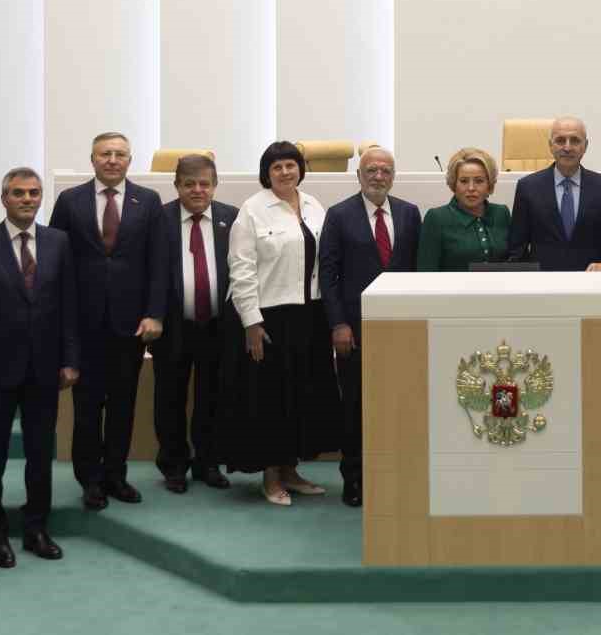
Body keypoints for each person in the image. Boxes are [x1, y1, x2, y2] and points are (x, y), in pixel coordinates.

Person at [0, 167, 79, 569]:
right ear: (4, 198)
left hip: (45, 369)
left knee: (40, 453)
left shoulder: (58, 243)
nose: (27, 199)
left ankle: (35, 528)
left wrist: (70, 359)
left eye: (33, 192)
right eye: (18, 193)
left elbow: (68, 307)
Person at [49, 133, 167, 510]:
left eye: (119, 154)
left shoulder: (147, 202)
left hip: (129, 324)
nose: (112, 160)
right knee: (86, 407)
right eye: (105, 154)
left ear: (130, 160)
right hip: (83, 323)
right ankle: (90, 480)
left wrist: (155, 313)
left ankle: (116, 474)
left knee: (122, 403)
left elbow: (158, 265)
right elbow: (55, 259)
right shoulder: (70, 201)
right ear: (92, 158)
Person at [218, 140, 341, 505]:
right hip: (269, 318)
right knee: (270, 398)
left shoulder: (313, 205)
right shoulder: (252, 211)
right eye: (277, 167)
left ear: (300, 168)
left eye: (291, 165)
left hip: (310, 314)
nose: (285, 172)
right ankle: (271, 478)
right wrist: (251, 322)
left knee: (302, 395)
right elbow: (240, 269)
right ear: (266, 174)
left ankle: (291, 470)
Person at [318, 146, 421, 508]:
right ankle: (355, 479)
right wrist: (338, 324)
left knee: (400, 406)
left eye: (386, 170)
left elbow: (415, 273)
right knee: (356, 408)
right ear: (358, 175)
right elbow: (328, 277)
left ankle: (396, 477)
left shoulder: (410, 214)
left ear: (394, 176)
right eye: (371, 170)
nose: (379, 176)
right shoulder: (339, 215)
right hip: (354, 331)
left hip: (400, 331)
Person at [151, 154, 237, 494]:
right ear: (177, 186)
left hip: (218, 325)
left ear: (215, 185)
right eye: (189, 184)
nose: (197, 190)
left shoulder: (232, 218)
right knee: (169, 397)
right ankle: (174, 465)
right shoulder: (159, 219)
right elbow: (151, 273)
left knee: (212, 397)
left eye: (204, 183)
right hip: (172, 326)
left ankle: (207, 462)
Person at [507, 116, 601, 271]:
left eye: (575, 140)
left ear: (585, 146)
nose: (567, 147)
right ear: (550, 146)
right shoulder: (528, 187)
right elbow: (517, 246)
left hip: (593, 284)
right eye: (560, 140)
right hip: (542, 285)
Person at [417, 147, 512, 271]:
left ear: (489, 185)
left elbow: (515, 262)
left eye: (479, 181)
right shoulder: (436, 218)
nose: (471, 188)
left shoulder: (501, 213)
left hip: (500, 289)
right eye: (464, 181)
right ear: (453, 184)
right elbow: (426, 271)